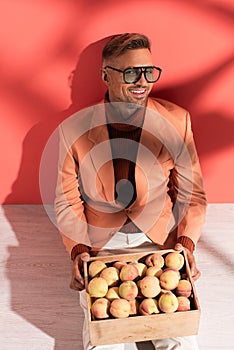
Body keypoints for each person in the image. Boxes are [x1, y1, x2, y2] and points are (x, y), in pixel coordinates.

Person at [54, 33, 207, 350]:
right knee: (103, 339)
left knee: (179, 337)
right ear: (105, 75)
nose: (143, 81)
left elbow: (192, 194)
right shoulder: (73, 129)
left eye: (149, 71)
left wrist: (186, 243)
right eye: (130, 72)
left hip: (160, 242)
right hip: (100, 246)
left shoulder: (177, 121)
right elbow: (68, 200)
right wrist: (78, 249)